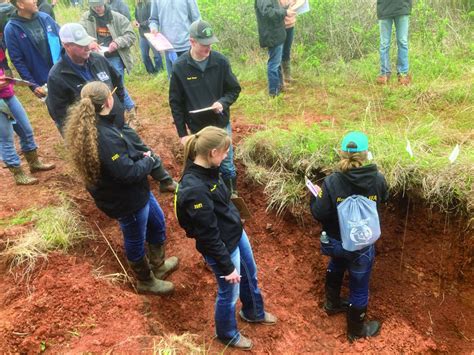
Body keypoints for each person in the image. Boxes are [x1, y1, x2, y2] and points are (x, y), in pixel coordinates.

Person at [64, 81, 179, 294]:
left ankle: (158, 265)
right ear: (109, 100)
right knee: (135, 240)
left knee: (157, 222)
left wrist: (139, 157)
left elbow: (122, 161)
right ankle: (146, 281)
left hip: (137, 192)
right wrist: (149, 161)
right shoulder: (104, 137)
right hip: (126, 201)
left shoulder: (103, 123)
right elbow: (127, 173)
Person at [175, 126, 277, 350]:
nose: (227, 156)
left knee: (250, 273)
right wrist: (227, 266)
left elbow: (223, 203)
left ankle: (253, 312)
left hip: (235, 233)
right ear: (212, 153)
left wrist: (236, 218)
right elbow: (207, 235)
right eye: (225, 152)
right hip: (222, 246)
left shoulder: (211, 170)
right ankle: (227, 334)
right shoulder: (194, 189)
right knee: (228, 293)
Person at [47, 23, 176, 192]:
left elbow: (117, 83)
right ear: (66, 46)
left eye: (87, 42)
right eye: (81, 45)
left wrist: (119, 107)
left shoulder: (98, 59)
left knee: (138, 145)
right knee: (109, 164)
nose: (87, 47)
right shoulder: (57, 76)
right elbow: (59, 114)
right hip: (94, 133)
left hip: (116, 121)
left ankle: (165, 180)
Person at [310, 131, 389, 342]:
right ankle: (356, 331)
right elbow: (385, 199)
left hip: (335, 242)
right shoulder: (377, 179)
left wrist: (316, 196)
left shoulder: (332, 181)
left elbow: (319, 212)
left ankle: (332, 303)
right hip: (361, 244)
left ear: (341, 153)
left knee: (337, 262)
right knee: (359, 286)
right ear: (366, 154)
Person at [169, 20, 241, 196]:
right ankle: (210, 195)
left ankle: (231, 196)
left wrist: (222, 102)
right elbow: (175, 102)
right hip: (197, 129)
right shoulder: (180, 67)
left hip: (220, 125)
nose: (208, 48)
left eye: (210, 44)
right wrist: (182, 134)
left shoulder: (220, 62)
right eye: (204, 44)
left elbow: (234, 89)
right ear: (192, 42)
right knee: (203, 163)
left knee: (226, 163)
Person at [80, 0, 137, 124]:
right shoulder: (86, 18)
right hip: (95, 57)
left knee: (115, 86)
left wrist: (117, 43)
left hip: (115, 56)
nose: (97, 8)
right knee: (104, 87)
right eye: (94, 7)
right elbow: (82, 35)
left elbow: (131, 35)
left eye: (99, 5)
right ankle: (114, 113)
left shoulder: (116, 17)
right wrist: (90, 42)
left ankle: (130, 112)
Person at [0, 65, 55, 185]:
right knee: (6, 139)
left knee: (26, 130)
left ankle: (34, 163)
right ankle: (18, 174)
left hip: (9, 96)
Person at [4, 0, 61, 99]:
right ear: (20, 4)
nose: (36, 0)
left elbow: (63, 41)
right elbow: (18, 61)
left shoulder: (45, 18)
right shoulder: (11, 29)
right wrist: (33, 85)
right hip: (44, 83)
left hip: (62, 74)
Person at [149, 0, 200, 76]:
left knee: (191, 80)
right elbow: (153, 20)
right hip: (168, 48)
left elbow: (197, 20)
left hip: (187, 46)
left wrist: (198, 42)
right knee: (174, 82)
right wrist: (153, 28)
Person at [255, 0, 295, 97]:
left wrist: (286, 8)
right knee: (274, 64)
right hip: (272, 35)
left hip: (276, 33)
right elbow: (268, 13)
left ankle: (280, 87)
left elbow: (274, 10)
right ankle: (273, 92)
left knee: (276, 63)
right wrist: (285, 12)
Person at [376, 0, 412, 85]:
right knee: (384, 44)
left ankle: (403, 74)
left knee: (402, 42)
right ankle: (384, 74)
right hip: (384, 9)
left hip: (402, 7)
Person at [134, 0, 163, 74]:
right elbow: (136, 18)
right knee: (144, 56)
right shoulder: (137, 5)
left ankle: (159, 71)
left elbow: (152, 19)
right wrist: (136, 22)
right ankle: (151, 72)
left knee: (156, 54)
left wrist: (141, 24)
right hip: (142, 35)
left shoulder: (149, 3)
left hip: (151, 33)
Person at [279, 0, 305, 84]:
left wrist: (292, 8)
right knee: (278, 52)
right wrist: (286, 10)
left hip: (290, 24)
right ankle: (280, 79)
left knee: (287, 50)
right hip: (278, 26)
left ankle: (287, 76)